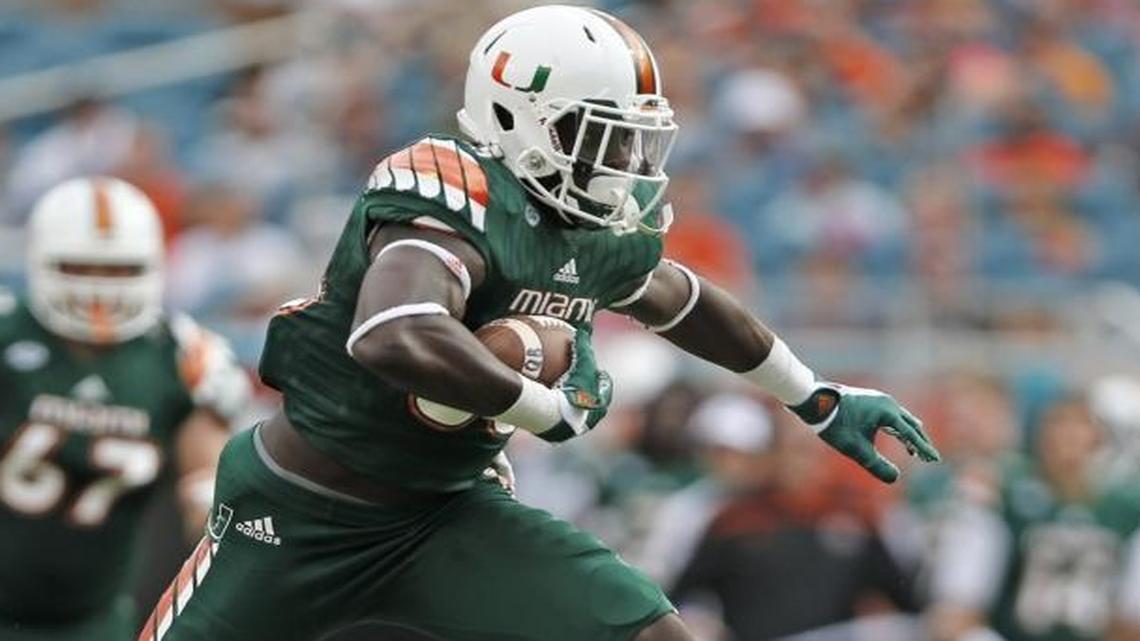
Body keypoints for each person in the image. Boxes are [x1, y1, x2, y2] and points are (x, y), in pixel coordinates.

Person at [141, 6, 939, 641]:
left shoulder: (596, 227)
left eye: (629, 135)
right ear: (515, 117)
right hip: (302, 506)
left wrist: (814, 394)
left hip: (448, 510)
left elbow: (683, 302)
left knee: (655, 634)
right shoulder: (451, 188)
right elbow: (394, 330)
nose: (619, 156)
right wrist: (538, 405)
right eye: (593, 131)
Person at [0, 177, 249, 640]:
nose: (100, 287)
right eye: (80, 266)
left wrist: (229, 541)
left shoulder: (185, 358)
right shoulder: (7, 336)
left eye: (120, 269)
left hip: (94, 622)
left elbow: (210, 496)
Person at [927, 396, 1140, 641]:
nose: (1068, 435)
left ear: (1099, 438)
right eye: (1058, 424)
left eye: (1080, 424)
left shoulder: (1127, 510)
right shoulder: (1005, 498)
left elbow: (1132, 620)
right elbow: (957, 610)